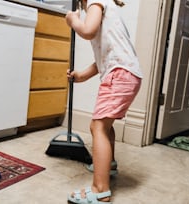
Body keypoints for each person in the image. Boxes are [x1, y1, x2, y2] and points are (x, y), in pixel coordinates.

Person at [65, 0, 143, 203]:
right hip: (127, 73)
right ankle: (110, 164)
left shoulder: (96, 1)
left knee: (97, 126)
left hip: (119, 74)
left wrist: (74, 21)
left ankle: (100, 190)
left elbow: (88, 31)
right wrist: (81, 75)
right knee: (106, 125)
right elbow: (105, 56)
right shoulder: (108, 8)